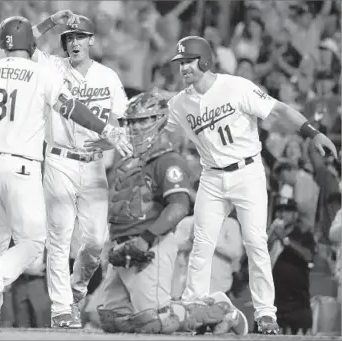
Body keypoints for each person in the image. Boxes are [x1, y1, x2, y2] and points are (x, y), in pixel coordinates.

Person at [0, 15, 132, 328]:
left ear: (3, 43)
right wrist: (106, 128)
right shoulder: (41, 73)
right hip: (21, 165)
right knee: (33, 244)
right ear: (31, 43)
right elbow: (70, 108)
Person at [167, 36, 337, 335]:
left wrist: (313, 133)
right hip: (212, 177)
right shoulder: (180, 102)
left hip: (247, 172)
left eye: (188, 61)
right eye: (180, 63)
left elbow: (280, 109)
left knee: (256, 241)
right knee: (201, 242)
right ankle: (193, 306)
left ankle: (265, 314)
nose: (183, 68)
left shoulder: (236, 86)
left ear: (204, 60)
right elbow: (150, 124)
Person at [97, 92, 248, 336]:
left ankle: (221, 311)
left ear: (158, 120)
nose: (134, 127)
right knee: (114, 320)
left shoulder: (168, 160)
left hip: (150, 243)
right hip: (122, 246)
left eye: (142, 121)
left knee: (157, 320)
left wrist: (146, 239)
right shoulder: (129, 160)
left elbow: (179, 206)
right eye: (131, 121)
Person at [31, 12, 128, 328]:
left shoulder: (108, 76)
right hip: (59, 160)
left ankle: (75, 292)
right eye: (69, 38)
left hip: (93, 165)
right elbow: (20, 43)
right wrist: (50, 21)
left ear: (91, 40)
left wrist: (109, 144)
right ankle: (61, 309)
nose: (74, 42)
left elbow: (119, 123)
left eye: (80, 37)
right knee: (58, 237)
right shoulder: (53, 67)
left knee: (96, 241)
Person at [267, 197, 315, 335]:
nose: (282, 214)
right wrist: (269, 237)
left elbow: (309, 256)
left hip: (297, 303)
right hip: (273, 303)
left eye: (287, 210)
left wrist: (285, 240)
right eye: (279, 210)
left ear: (295, 215)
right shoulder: (270, 236)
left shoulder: (304, 234)